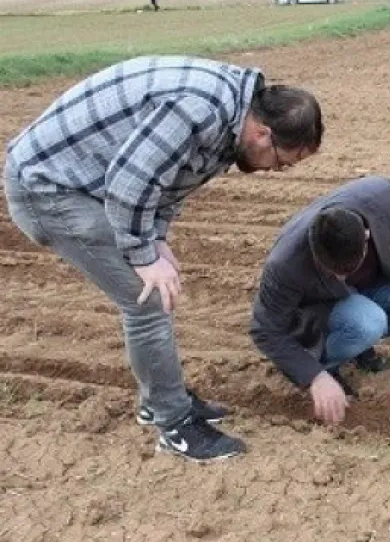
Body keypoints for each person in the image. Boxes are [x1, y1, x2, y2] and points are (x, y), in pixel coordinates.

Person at [3, 55, 323, 462]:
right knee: (146, 300)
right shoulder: (196, 110)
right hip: (48, 188)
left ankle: (159, 399)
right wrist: (141, 252)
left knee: (156, 285)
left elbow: (169, 181)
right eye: (281, 163)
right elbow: (128, 183)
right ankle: (174, 426)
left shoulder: (234, 121)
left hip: (84, 184)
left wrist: (156, 239)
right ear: (262, 133)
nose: (274, 172)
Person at [250, 176, 390, 426]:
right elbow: (265, 330)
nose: (340, 277)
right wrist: (314, 376)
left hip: (372, 284)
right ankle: (328, 363)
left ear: (366, 236)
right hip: (324, 305)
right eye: (331, 272)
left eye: (347, 269)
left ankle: (357, 343)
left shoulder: (379, 195)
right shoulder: (284, 265)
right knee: (368, 323)